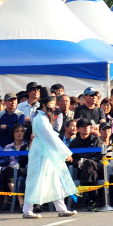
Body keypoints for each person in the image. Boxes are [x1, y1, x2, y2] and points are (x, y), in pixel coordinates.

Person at [21, 87, 78, 218]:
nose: (54, 106)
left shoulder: (43, 118)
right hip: (41, 152)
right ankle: (27, 210)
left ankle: (62, 208)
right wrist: (65, 153)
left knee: (55, 179)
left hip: (45, 151)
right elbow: (51, 138)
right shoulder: (40, 119)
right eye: (52, 103)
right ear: (44, 104)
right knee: (35, 180)